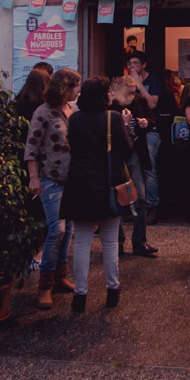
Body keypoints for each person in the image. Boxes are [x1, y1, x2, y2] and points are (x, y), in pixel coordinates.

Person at [60, 77, 132, 312]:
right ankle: (112, 290)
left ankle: (80, 295)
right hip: (108, 186)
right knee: (110, 242)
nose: (111, 95)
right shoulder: (113, 118)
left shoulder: (75, 118)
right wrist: (126, 125)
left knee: (82, 242)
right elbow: (126, 150)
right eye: (108, 92)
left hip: (80, 185)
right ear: (102, 96)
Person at [25, 67, 82, 309]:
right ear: (64, 87)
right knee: (56, 230)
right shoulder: (43, 112)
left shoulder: (72, 110)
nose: (78, 90)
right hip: (50, 178)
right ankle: (44, 285)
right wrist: (33, 178)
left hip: (71, 180)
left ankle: (59, 277)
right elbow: (31, 147)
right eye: (75, 86)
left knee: (68, 230)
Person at [108, 76, 158, 258]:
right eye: (129, 92)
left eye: (134, 92)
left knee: (140, 197)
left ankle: (139, 241)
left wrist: (147, 122)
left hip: (135, 151)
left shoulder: (139, 100)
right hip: (116, 154)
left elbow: (152, 117)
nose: (132, 96)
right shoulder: (110, 104)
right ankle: (118, 241)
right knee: (116, 196)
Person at [126, 51, 164, 225]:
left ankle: (152, 206)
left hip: (150, 130)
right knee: (133, 169)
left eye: (136, 63)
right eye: (130, 63)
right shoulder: (127, 81)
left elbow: (152, 104)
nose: (133, 66)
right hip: (132, 131)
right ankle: (135, 206)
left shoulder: (152, 80)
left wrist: (139, 84)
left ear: (143, 64)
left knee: (149, 169)